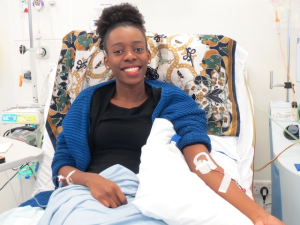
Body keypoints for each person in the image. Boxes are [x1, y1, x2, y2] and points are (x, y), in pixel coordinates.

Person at [46, 3, 284, 225]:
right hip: (90, 196)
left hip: (154, 199)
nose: (129, 55)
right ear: (107, 61)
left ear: (148, 55)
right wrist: (90, 180)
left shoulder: (174, 101)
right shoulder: (87, 102)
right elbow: (62, 164)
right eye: (119, 51)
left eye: (138, 49)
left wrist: (259, 216)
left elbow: (200, 160)